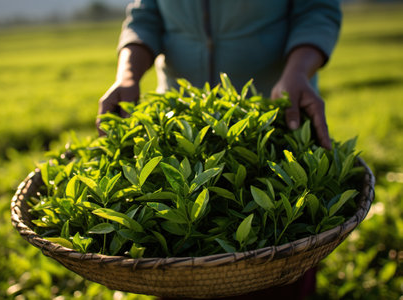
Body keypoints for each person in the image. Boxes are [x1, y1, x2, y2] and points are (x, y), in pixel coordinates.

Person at [97, 1, 342, 298]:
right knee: (176, 261)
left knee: (280, 258)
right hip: (180, 124)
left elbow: (317, 9)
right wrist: (127, 75)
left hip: (271, 118)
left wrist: (299, 69)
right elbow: (146, 15)